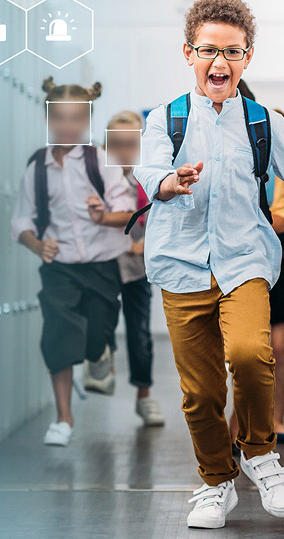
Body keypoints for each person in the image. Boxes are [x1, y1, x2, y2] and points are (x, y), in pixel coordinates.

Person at [134, 0, 284, 530]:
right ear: (189, 53)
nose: (220, 62)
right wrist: (170, 182)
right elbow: (149, 173)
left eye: (232, 52)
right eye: (209, 51)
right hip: (181, 265)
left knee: (254, 355)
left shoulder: (265, 123)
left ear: (247, 58)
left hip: (244, 261)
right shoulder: (165, 119)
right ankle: (215, 482)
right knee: (199, 392)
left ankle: (259, 454)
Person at [10, 79, 135, 447]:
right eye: (60, 119)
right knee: (58, 336)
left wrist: (103, 216)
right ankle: (63, 417)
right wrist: (37, 245)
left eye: (76, 119)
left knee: (96, 336)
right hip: (59, 264)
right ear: (49, 119)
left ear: (88, 120)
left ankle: (100, 355)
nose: (68, 127)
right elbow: (21, 220)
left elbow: (127, 210)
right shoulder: (37, 167)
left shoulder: (102, 162)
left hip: (101, 265)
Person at [229, 106, 284, 448]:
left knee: (280, 347)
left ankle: (277, 418)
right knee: (244, 349)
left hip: (283, 260)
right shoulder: (240, 163)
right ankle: (239, 421)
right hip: (242, 262)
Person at [102, 110, 165, 427]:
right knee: (100, 322)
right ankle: (104, 369)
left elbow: (162, 219)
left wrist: (144, 246)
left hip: (137, 267)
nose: (124, 151)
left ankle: (144, 396)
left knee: (139, 332)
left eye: (131, 143)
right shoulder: (98, 178)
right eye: (117, 143)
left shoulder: (147, 178)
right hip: (103, 264)